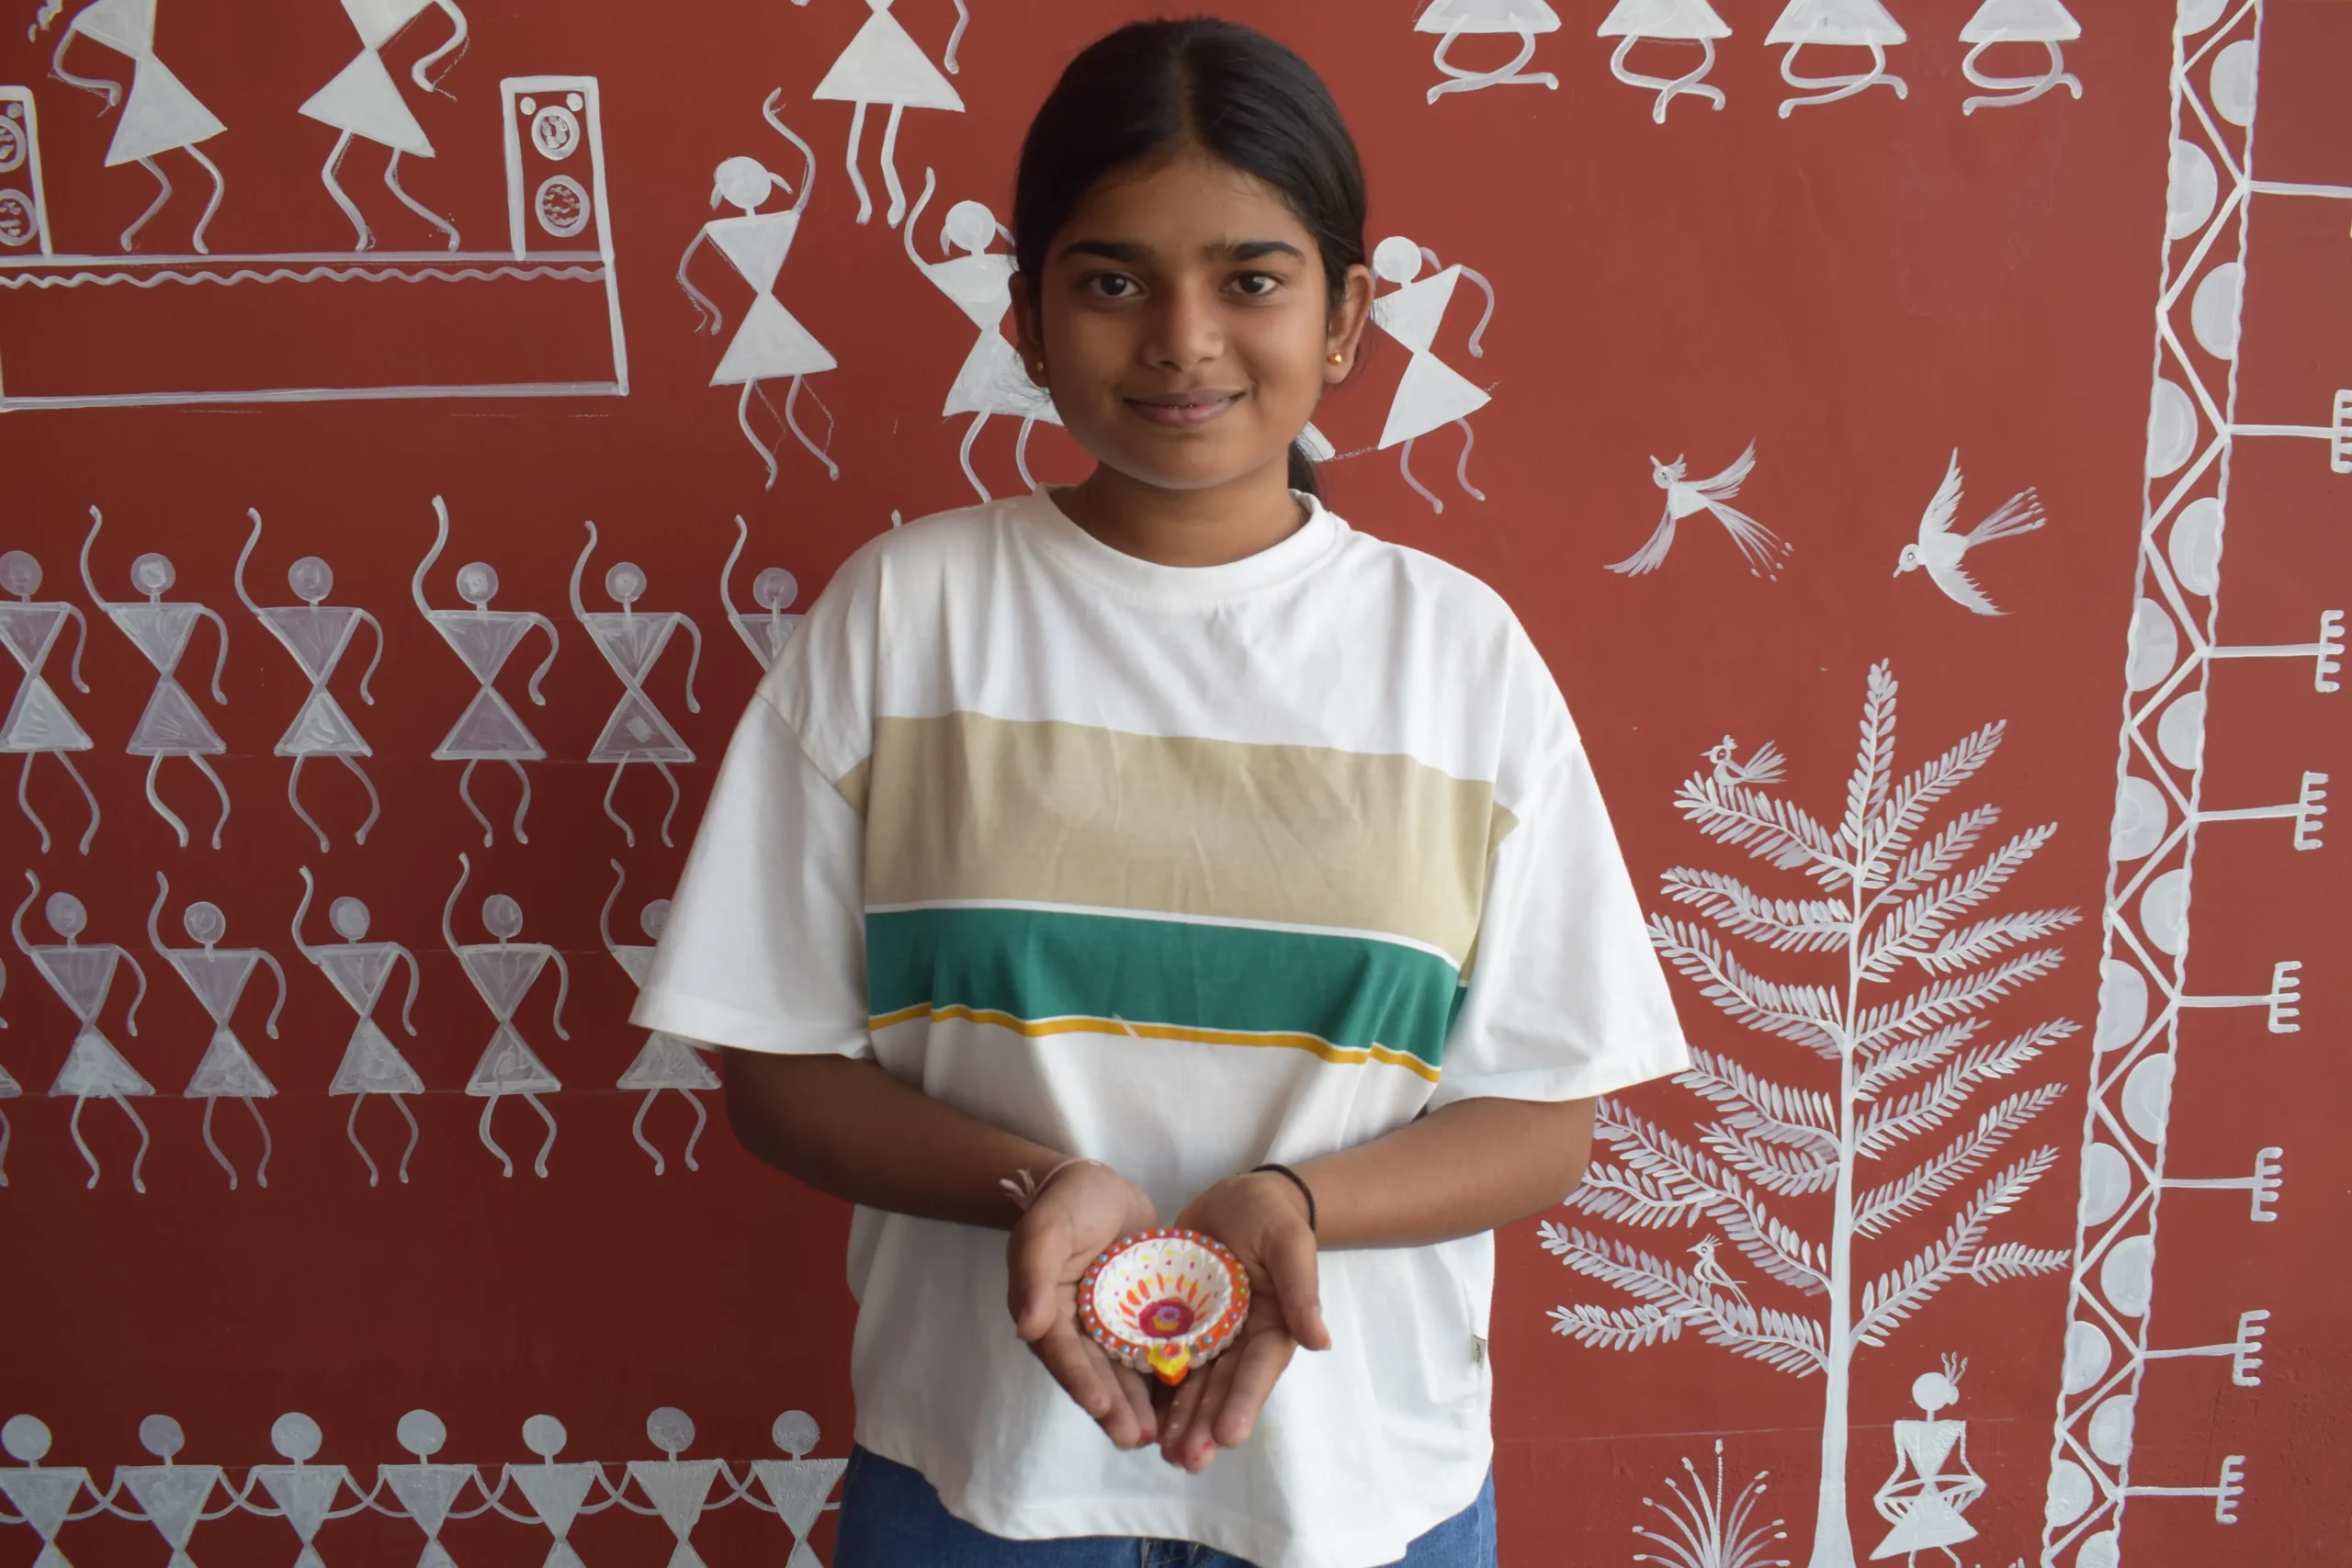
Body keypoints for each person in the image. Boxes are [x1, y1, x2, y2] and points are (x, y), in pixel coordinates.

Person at [632, 19, 1687, 1568]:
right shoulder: (906, 619)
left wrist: (1296, 1204)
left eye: (1251, 279)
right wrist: (1041, 1187)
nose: (1184, 339)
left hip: (1357, 1496)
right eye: (1113, 282)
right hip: (981, 1483)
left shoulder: (1459, 655)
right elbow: (777, 1068)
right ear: (1027, 319)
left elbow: (1544, 1116)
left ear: (1345, 318)